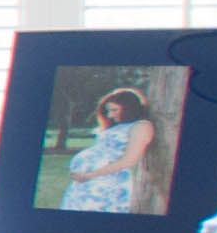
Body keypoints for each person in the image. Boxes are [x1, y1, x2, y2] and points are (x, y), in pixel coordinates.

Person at [62, 84, 160, 213]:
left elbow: (129, 161)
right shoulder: (118, 125)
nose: (109, 115)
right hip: (88, 182)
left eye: (114, 110)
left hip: (108, 183)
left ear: (129, 108)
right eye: (108, 110)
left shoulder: (141, 126)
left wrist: (90, 175)